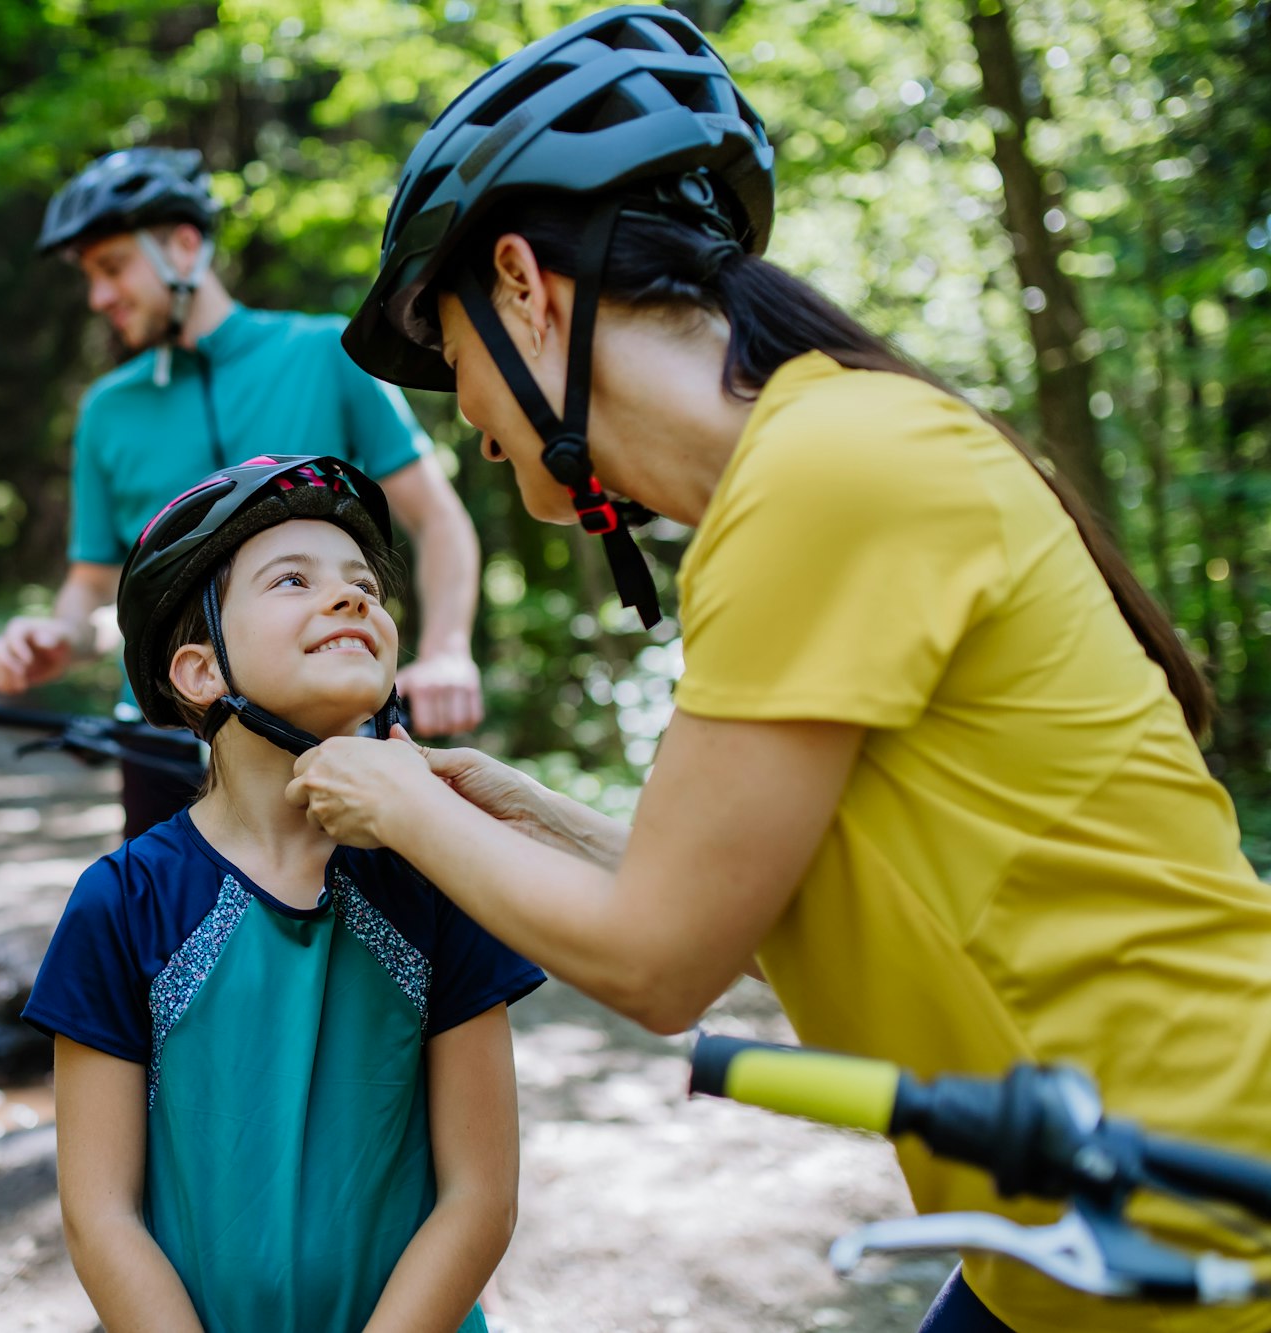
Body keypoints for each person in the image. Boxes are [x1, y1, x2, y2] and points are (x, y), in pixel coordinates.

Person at [286, 9, 1271, 1333]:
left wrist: (396, 803)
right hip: (1059, 1236)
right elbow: (746, 922)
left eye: (452, 361)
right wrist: (520, 815)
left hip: (1199, 1215)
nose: (465, 423)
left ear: (523, 283)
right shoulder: (809, 473)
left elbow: (664, 967)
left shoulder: (827, 475)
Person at [22, 456, 543, 1332]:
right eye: (292, 579)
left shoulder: (442, 870)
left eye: (364, 584)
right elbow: (99, 1215)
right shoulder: (124, 901)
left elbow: (480, 1196)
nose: (351, 599)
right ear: (199, 671)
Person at [0, 147, 488, 840]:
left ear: (185, 248)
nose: (99, 296)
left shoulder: (327, 355)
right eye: (90, 277)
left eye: (112, 267)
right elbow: (95, 588)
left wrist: (448, 649)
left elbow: (439, 520)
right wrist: (59, 635)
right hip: (166, 745)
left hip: (336, 732)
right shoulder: (107, 411)